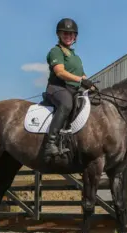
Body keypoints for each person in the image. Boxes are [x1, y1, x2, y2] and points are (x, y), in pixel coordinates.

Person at [44, 18, 95, 158]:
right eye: (65, 33)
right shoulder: (56, 51)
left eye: (71, 34)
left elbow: (82, 75)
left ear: (75, 37)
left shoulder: (76, 57)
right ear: (59, 35)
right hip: (57, 88)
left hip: (73, 90)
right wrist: (80, 80)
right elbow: (60, 72)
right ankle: (51, 143)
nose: (68, 36)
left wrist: (92, 85)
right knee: (67, 104)